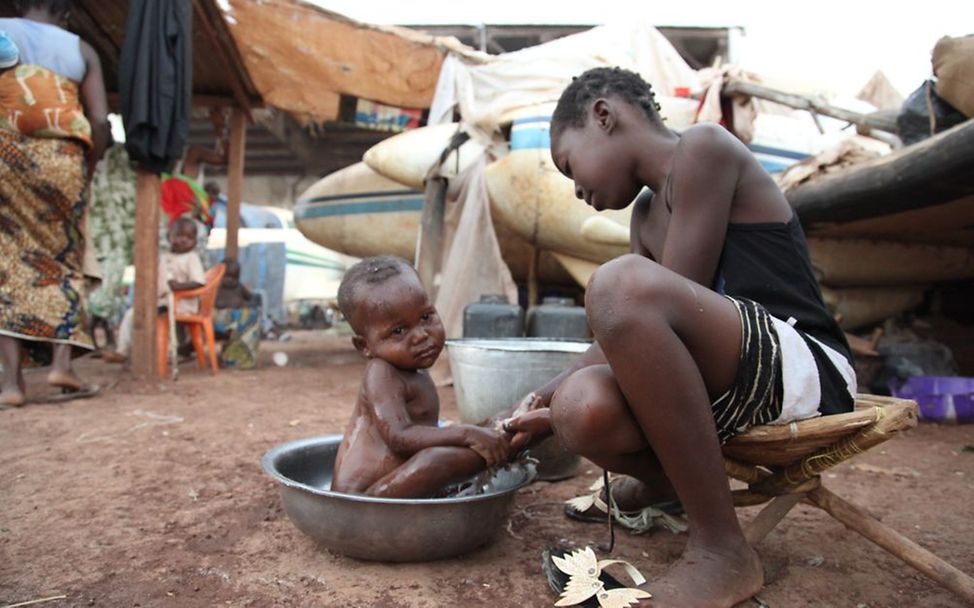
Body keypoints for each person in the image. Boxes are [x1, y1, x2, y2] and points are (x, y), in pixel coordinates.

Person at [502, 67, 857, 608]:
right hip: (727, 388)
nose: (576, 190)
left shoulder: (704, 150)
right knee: (582, 407)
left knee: (618, 284)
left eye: (570, 165)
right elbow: (633, 337)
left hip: (804, 370)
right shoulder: (646, 215)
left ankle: (722, 551)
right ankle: (666, 487)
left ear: (604, 116)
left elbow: (663, 298)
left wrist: (548, 403)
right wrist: (543, 402)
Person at [0, 0, 111, 406]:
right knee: (66, 256)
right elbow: (99, 122)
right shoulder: (81, 49)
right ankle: (61, 364)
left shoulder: (2, 31)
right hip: (63, 161)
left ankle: (11, 384)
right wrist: (90, 164)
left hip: (7, 155)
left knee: (8, 261)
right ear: (66, 12)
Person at [331, 255, 511, 498]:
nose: (420, 336)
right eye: (398, 331)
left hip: (393, 481)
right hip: (364, 496)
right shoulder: (382, 373)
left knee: (480, 433)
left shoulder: (410, 367)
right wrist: (466, 434)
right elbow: (399, 436)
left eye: (426, 317)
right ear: (365, 346)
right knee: (437, 459)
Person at [102, 218, 205, 364]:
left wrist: (178, 287)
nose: (184, 240)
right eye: (179, 236)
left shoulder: (191, 258)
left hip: (180, 304)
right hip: (161, 301)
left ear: (195, 241)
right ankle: (123, 351)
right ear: (170, 236)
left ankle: (167, 353)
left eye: (189, 238)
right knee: (132, 314)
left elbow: (199, 282)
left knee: (160, 319)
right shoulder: (164, 257)